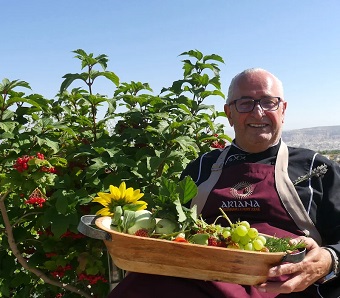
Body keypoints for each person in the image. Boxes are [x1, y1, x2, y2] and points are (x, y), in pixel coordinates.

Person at [107, 68, 340, 298]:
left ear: (283, 110)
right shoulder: (199, 169)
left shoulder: (317, 169)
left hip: (281, 287)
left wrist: (329, 259)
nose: (258, 113)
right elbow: (173, 233)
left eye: (269, 102)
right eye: (245, 103)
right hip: (192, 281)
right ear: (228, 113)